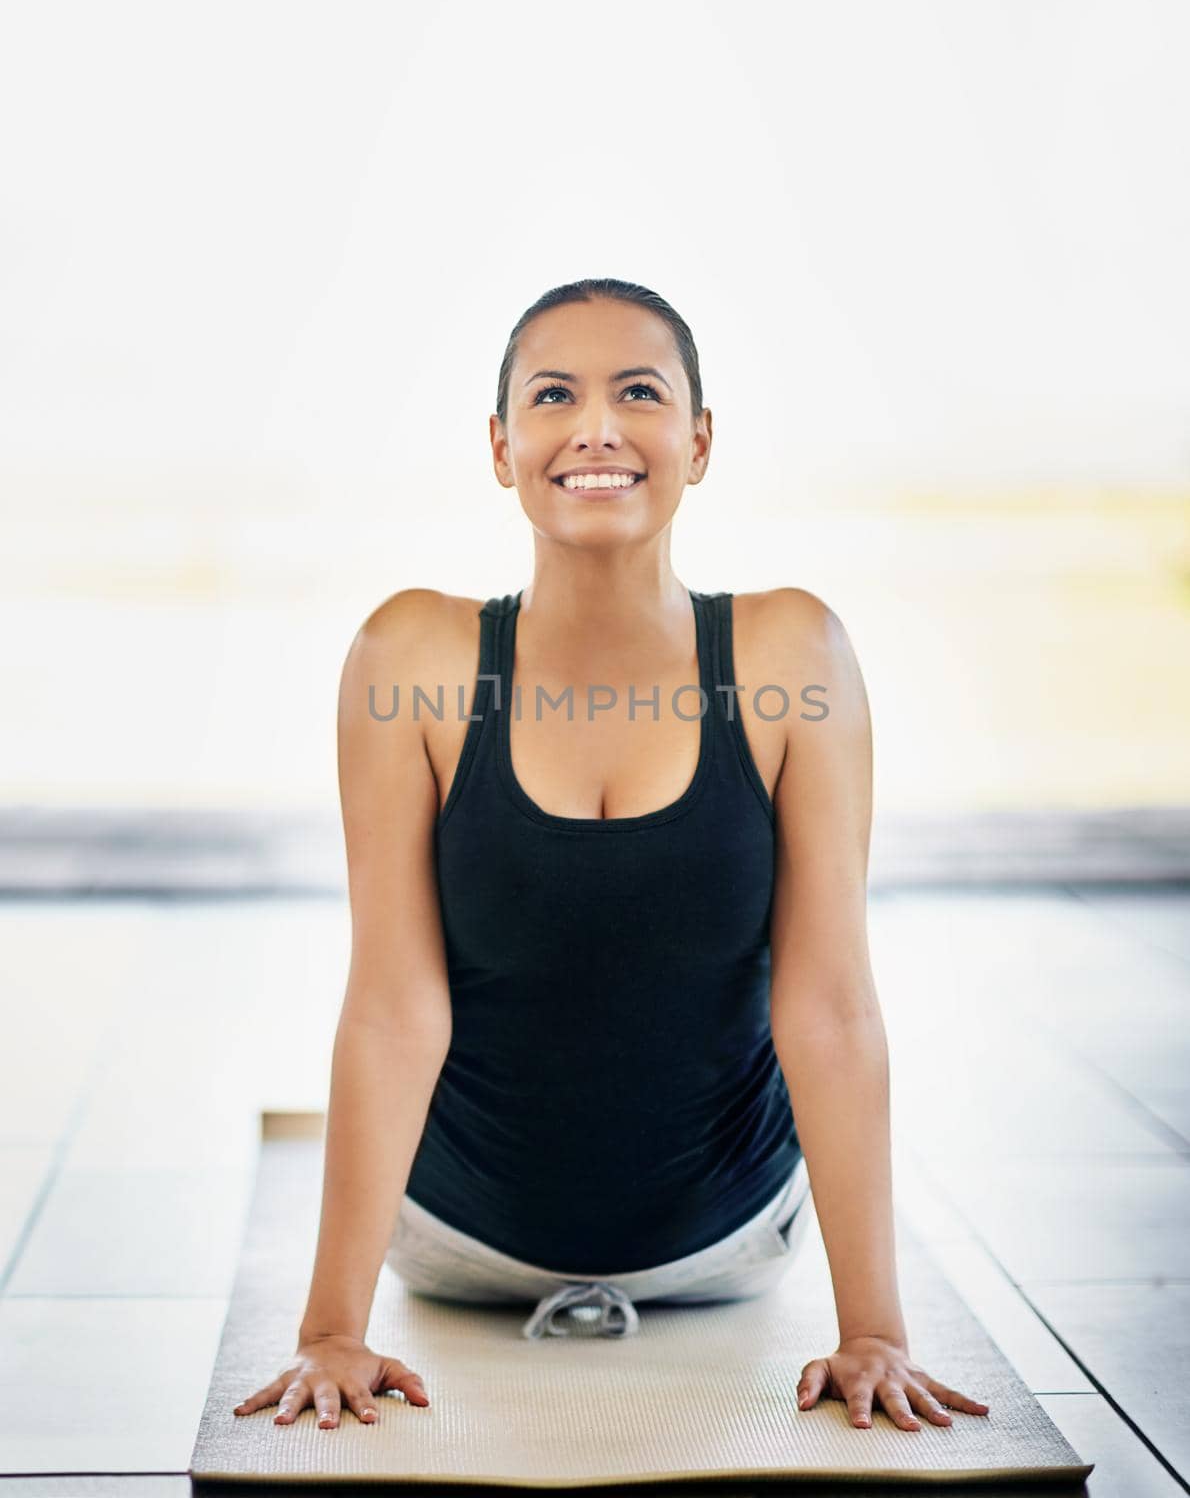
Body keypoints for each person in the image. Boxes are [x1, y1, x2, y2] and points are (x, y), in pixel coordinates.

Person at [233, 277, 990, 1437]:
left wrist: (873, 1332)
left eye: (638, 392)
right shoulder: (411, 655)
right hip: (453, 1244)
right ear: (501, 446)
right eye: (553, 395)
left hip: (727, 1244)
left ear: (697, 440)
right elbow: (393, 1005)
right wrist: (332, 1329)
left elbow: (829, 1005)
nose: (595, 426)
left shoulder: (794, 650)